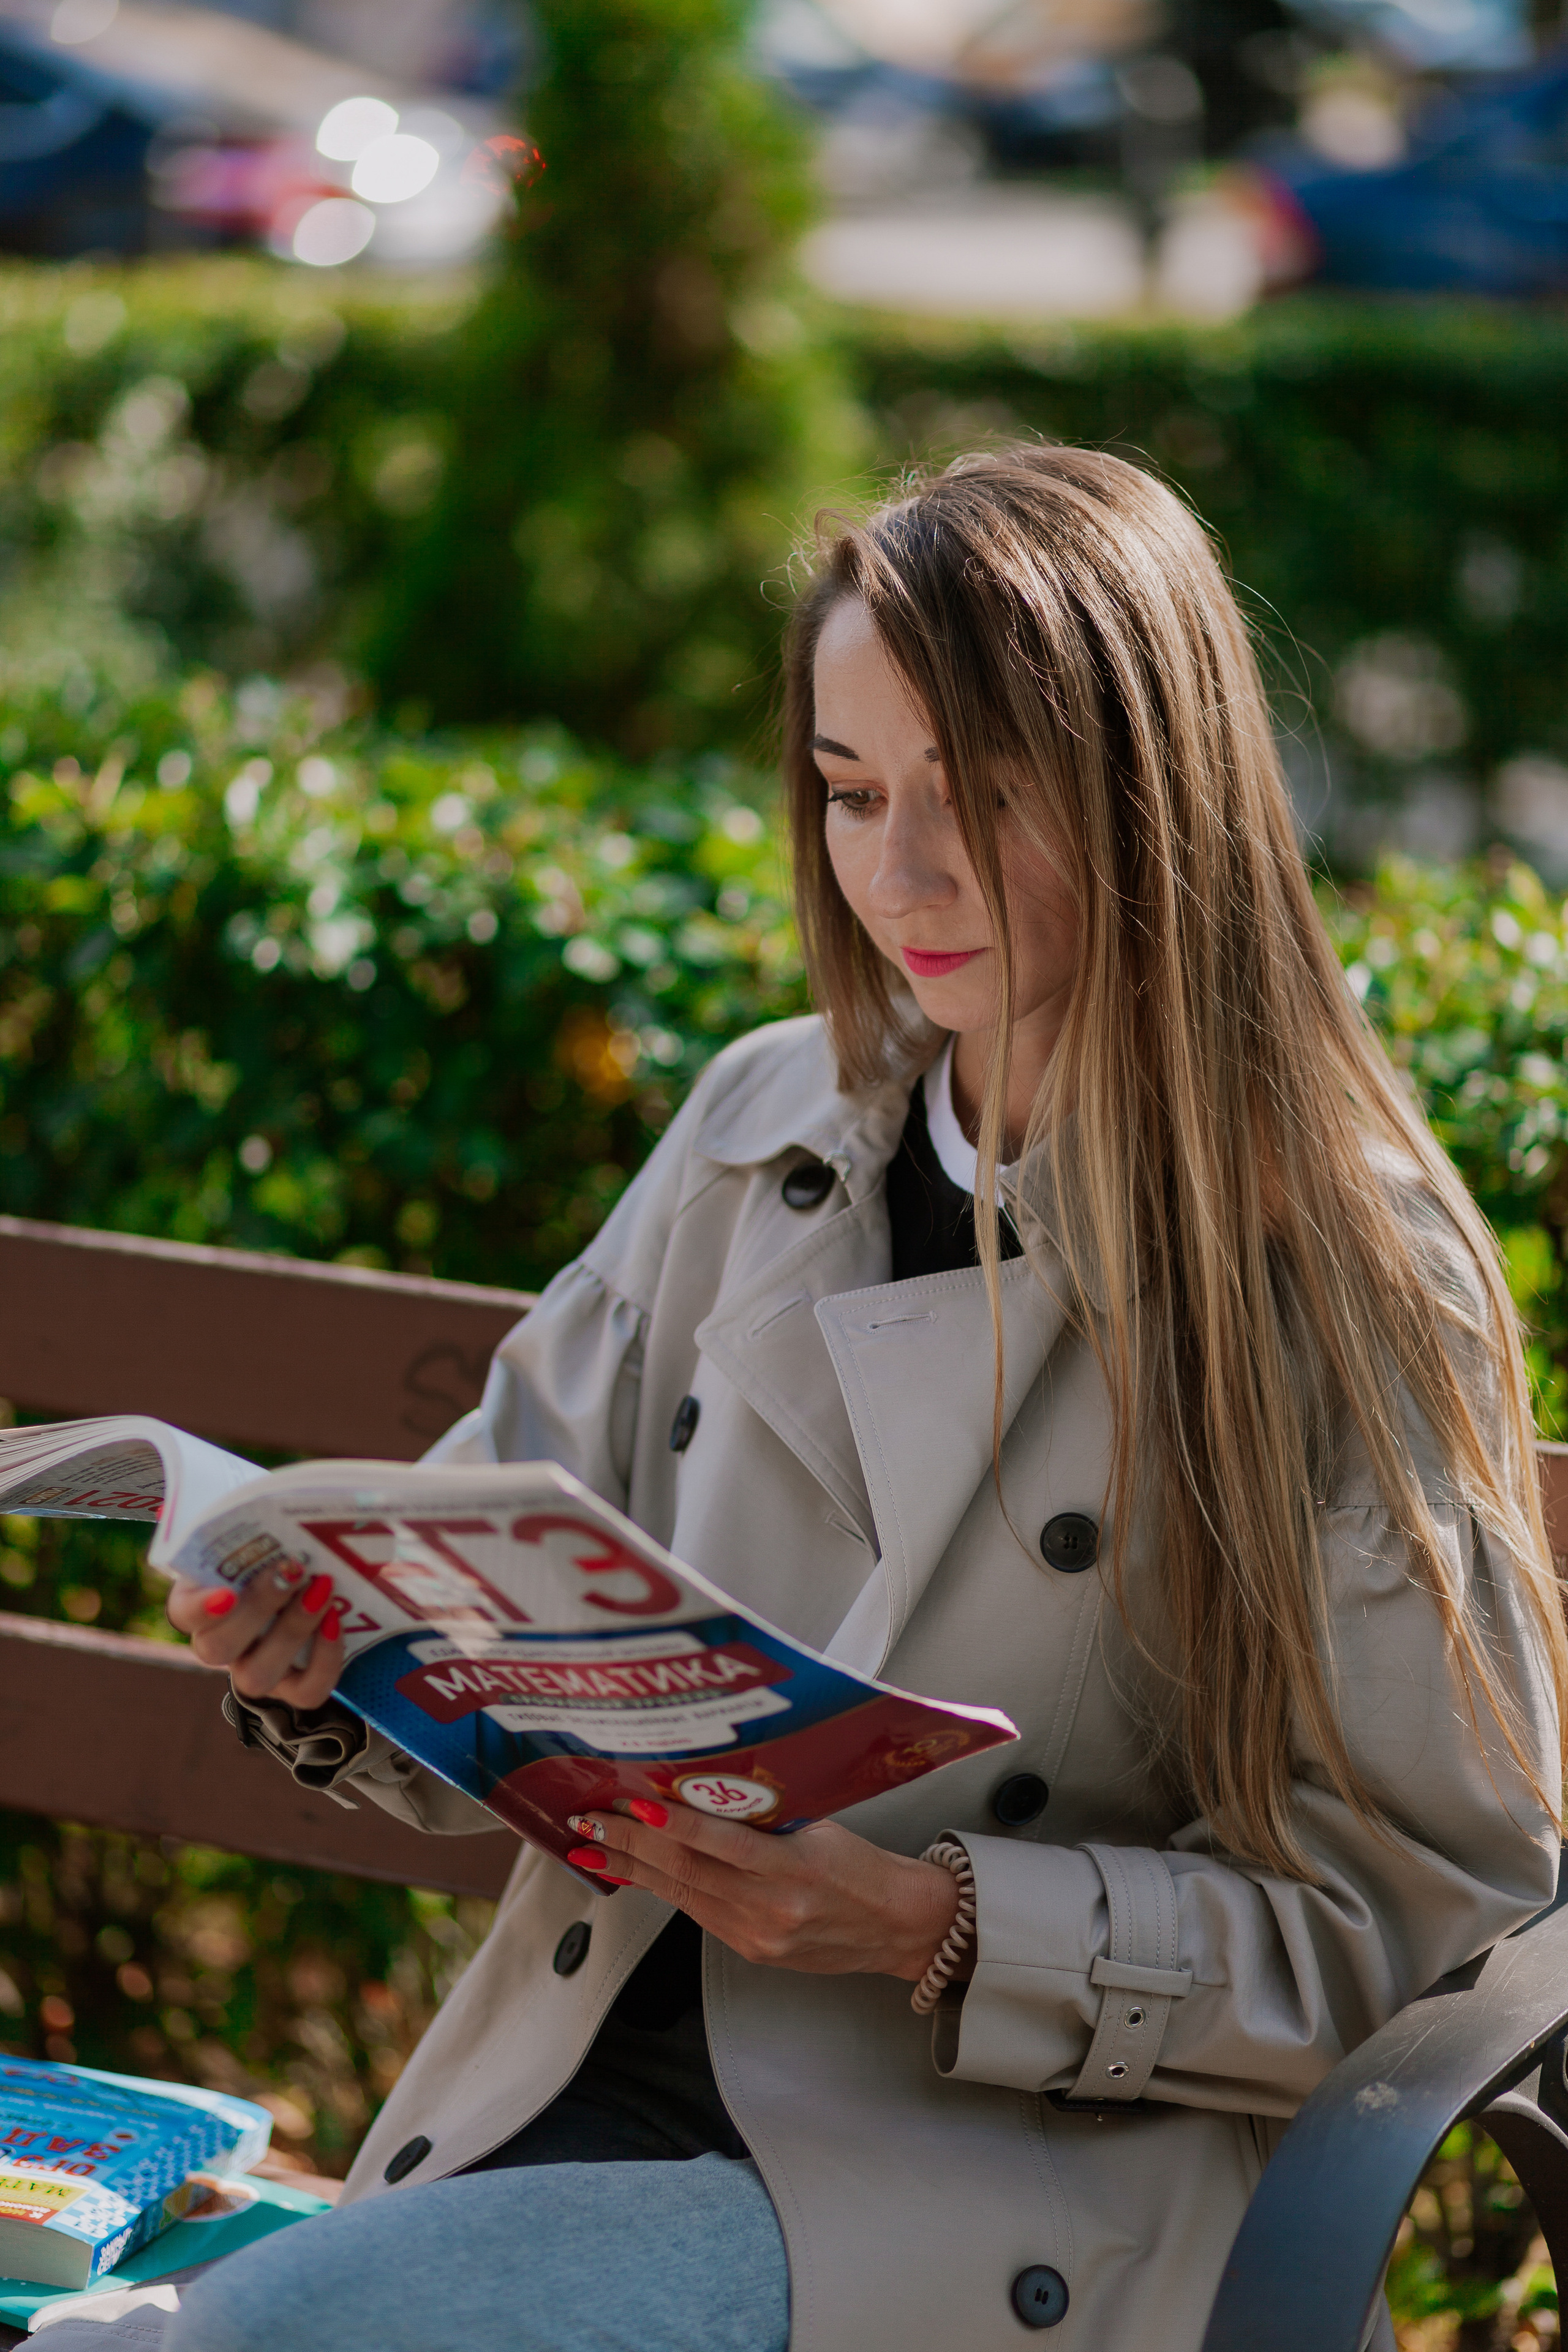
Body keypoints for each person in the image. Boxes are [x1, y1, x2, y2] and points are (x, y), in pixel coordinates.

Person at [163, 446, 1564, 2352]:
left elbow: (1439, 1930)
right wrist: (340, 1657)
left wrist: (938, 1925)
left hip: (976, 2178)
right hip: (573, 2084)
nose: (897, 873)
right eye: (848, 791)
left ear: (1155, 794)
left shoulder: (1333, 1264)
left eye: (981, 798)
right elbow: (496, 1578)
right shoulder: (764, 1122)